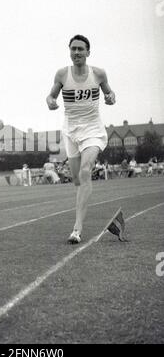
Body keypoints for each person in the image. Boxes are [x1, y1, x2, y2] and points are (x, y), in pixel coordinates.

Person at [46, 34, 115, 244]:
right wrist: (50, 102)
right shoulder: (61, 74)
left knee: (86, 171)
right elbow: (51, 96)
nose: (76, 52)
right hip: (71, 131)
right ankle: (82, 200)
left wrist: (111, 97)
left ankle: (77, 229)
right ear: (69, 51)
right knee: (77, 179)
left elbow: (110, 94)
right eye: (73, 49)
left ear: (88, 52)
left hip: (93, 130)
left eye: (80, 49)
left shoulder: (99, 74)